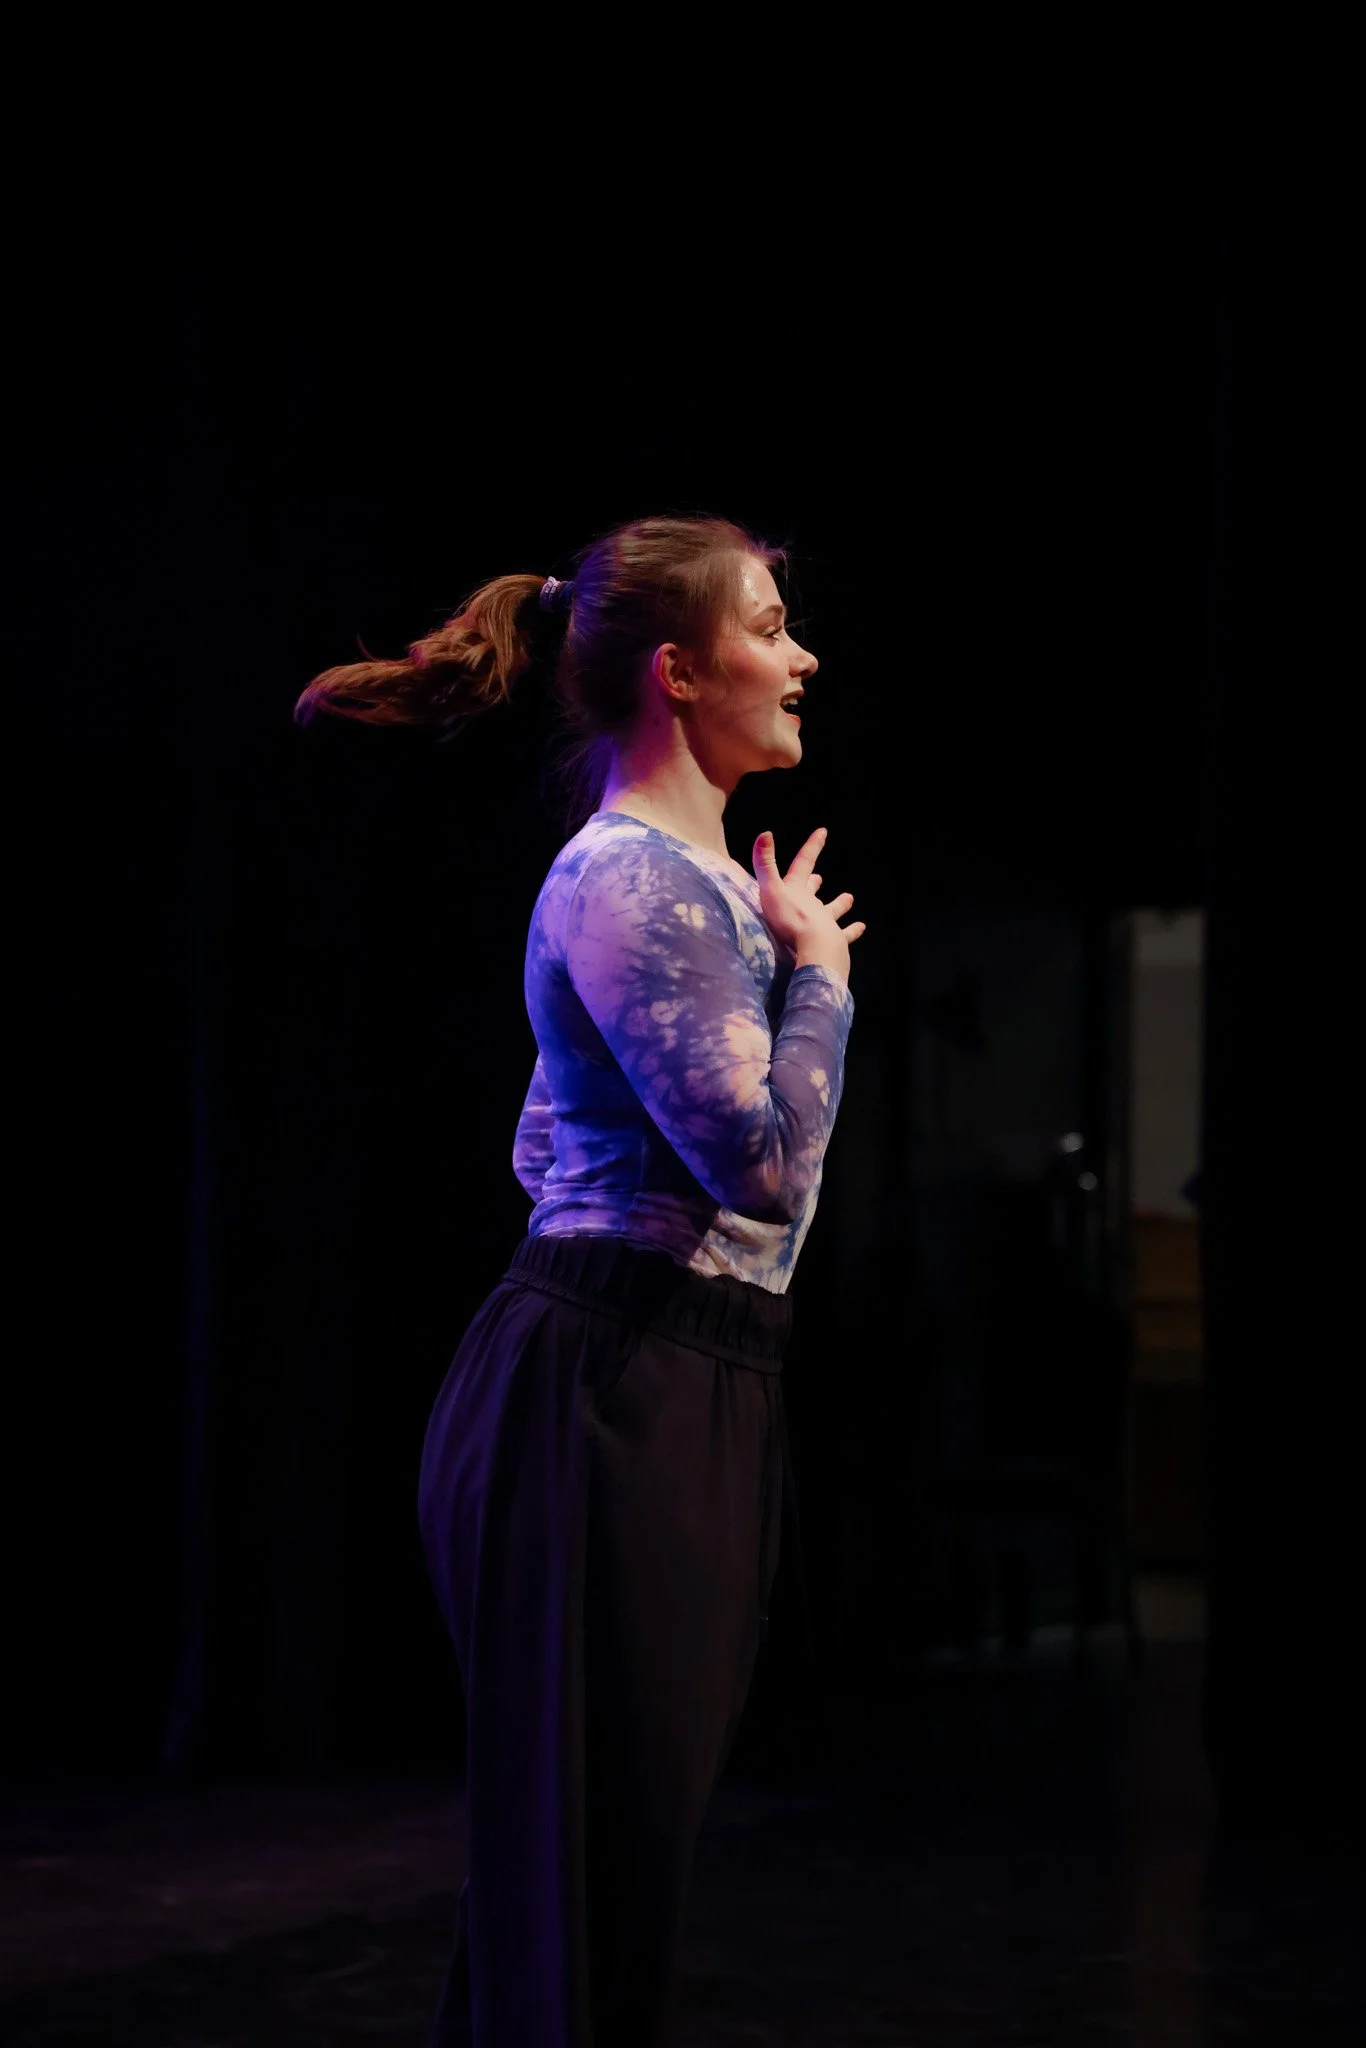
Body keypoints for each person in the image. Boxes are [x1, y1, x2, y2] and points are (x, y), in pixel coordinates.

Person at [295, 515, 865, 2047]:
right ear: (678, 673)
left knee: (608, 1887)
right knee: (581, 1894)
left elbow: (542, 1137)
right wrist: (819, 979)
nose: (800, 655)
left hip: (675, 1377)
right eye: (767, 626)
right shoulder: (633, 885)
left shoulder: (678, 889)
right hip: (609, 1396)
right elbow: (760, 1165)